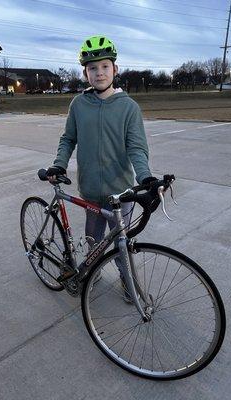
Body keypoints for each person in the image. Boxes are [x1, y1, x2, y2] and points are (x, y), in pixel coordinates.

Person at [46, 35, 157, 301]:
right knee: (93, 241)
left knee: (122, 245)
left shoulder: (128, 107)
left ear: (115, 69)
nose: (99, 72)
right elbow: (68, 138)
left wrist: (146, 178)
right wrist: (59, 163)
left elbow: (137, 148)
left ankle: (127, 280)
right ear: (85, 73)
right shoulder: (79, 104)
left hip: (121, 194)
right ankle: (92, 272)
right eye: (92, 68)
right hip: (91, 192)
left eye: (105, 66)